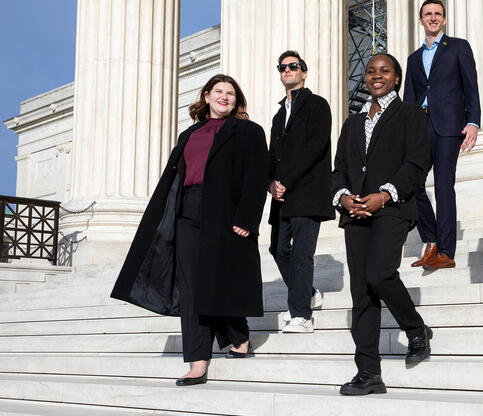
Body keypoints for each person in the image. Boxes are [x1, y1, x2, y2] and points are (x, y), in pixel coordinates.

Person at [111, 74, 269, 385]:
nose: (225, 97)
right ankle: (198, 361)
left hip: (225, 213)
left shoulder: (248, 131)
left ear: (237, 101)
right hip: (188, 213)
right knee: (192, 287)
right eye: (219, 91)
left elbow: (256, 175)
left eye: (231, 93)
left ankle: (238, 336)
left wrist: (248, 219)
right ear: (207, 96)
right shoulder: (189, 133)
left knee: (220, 280)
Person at [332, 53, 433, 395]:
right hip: (355, 212)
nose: (377, 75)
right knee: (361, 293)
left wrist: (384, 195)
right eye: (371, 71)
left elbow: (418, 162)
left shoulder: (410, 114)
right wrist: (345, 198)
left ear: (396, 78)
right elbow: (339, 169)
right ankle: (368, 374)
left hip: (392, 207)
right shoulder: (352, 122)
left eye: (385, 71)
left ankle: (415, 327)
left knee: (379, 274)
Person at [403, 0, 481, 270]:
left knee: (443, 185)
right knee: (411, 184)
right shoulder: (413, 59)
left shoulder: (458, 46)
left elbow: (471, 85)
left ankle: (446, 251)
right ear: (421, 20)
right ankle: (431, 240)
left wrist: (473, 121)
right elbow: (409, 99)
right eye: (428, 14)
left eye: (437, 14)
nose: (433, 18)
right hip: (420, 127)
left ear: (444, 19)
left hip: (449, 126)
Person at [268, 50, 334, 333]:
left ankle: (302, 316)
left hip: (307, 191)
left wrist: (288, 181)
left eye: (293, 66)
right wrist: (271, 182)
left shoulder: (318, 105)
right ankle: (307, 293)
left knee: (302, 254)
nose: (287, 70)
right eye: (282, 67)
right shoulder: (278, 114)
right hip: (282, 195)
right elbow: (272, 154)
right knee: (278, 248)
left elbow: (315, 148)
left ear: (304, 72)